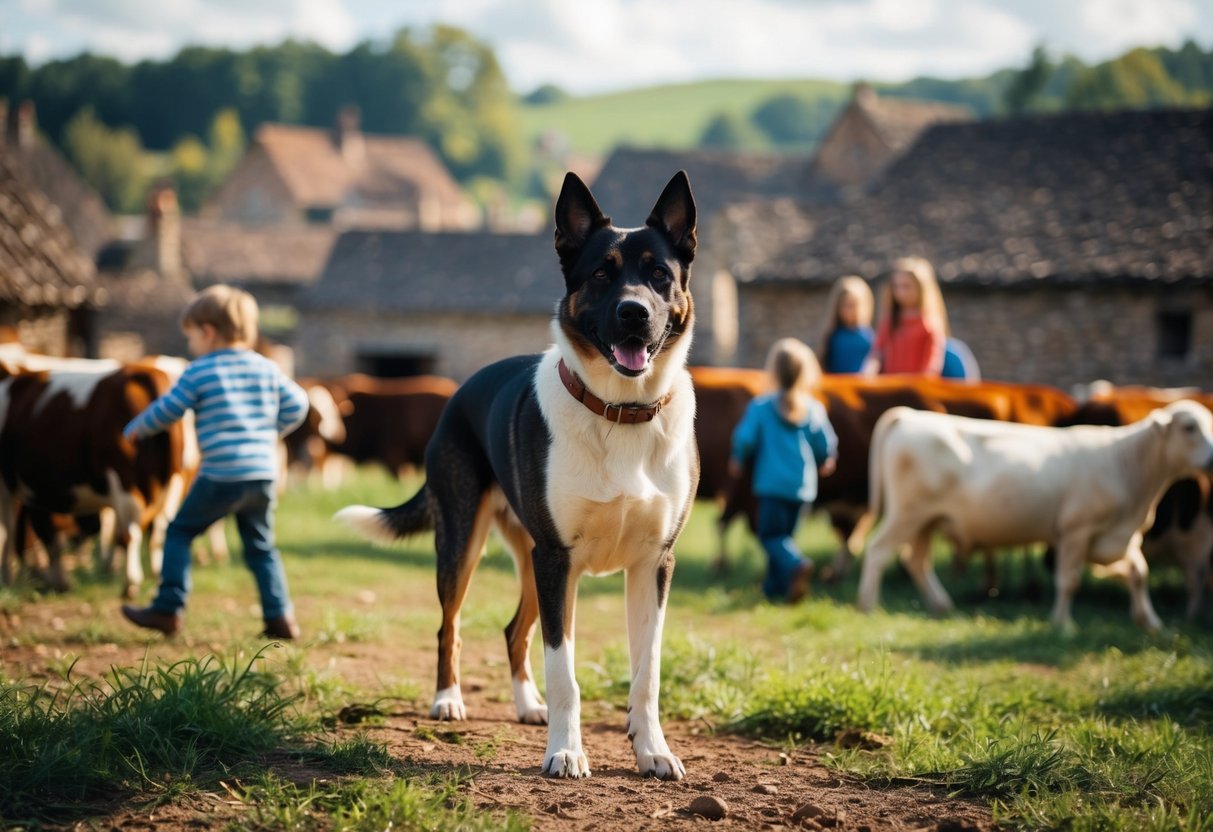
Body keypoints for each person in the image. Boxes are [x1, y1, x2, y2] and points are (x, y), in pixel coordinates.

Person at [121, 285, 309, 639]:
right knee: (261, 547)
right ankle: (280, 617)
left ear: (207, 332)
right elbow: (299, 404)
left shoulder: (200, 370)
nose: (191, 345)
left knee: (178, 532)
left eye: (191, 337)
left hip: (221, 474)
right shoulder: (266, 367)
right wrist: (272, 431)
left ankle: (167, 608)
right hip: (262, 474)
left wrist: (136, 428)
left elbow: (169, 408)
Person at [729, 338, 838, 603]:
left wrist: (738, 458)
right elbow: (826, 442)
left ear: (774, 371)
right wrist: (826, 459)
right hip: (802, 489)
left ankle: (797, 564)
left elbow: (744, 438)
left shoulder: (762, 407)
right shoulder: (813, 408)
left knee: (770, 537)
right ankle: (774, 589)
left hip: (771, 486)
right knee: (784, 538)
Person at [862, 256, 948, 376]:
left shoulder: (930, 324)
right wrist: (868, 373)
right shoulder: (891, 320)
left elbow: (931, 368)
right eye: (897, 286)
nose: (900, 292)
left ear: (921, 288)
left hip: (916, 390)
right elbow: (877, 353)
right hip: (890, 387)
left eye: (906, 286)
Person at [818, 275, 875, 374]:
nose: (849, 311)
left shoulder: (869, 337)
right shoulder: (832, 336)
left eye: (853, 305)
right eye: (846, 305)